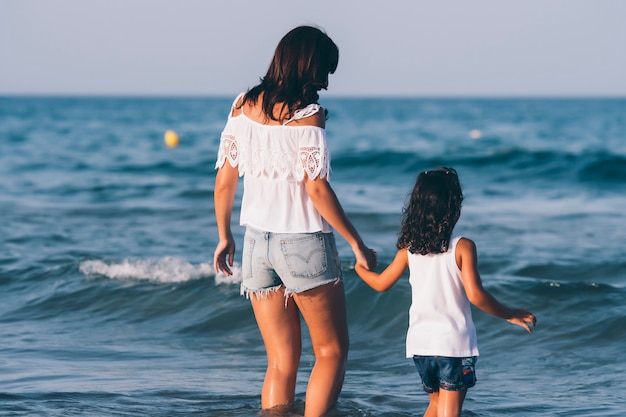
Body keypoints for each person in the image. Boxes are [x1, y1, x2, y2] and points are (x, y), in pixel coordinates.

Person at [213, 26, 377, 417]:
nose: (325, 82)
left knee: (280, 361)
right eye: (324, 71)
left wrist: (224, 236)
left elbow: (224, 181)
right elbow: (316, 189)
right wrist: (356, 243)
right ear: (309, 66)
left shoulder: (241, 105)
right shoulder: (309, 116)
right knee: (331, 352)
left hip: (255, 244)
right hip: (302, 242)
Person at [354, 167, 536, 417]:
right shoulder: (463, 246)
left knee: (436, 406)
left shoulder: (408, 249)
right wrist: (509, 313)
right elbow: (476, 295)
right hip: (452, 344)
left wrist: (359, 268)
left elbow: (381, 284)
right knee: (450, 412)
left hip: (420, 343)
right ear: (453, 208)